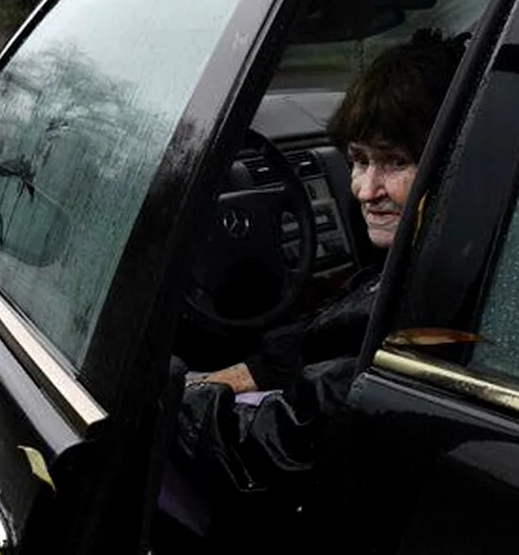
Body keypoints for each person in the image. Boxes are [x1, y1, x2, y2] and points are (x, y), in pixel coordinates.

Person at [160, 28, 470, 543]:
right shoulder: (425, 267)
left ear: (458, 161)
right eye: (358, 160)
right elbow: (321, 345)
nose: (365, 191)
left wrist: (170, 400)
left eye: (395, 162)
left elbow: (292, 440)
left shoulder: (433, 309)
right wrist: (231, 377)